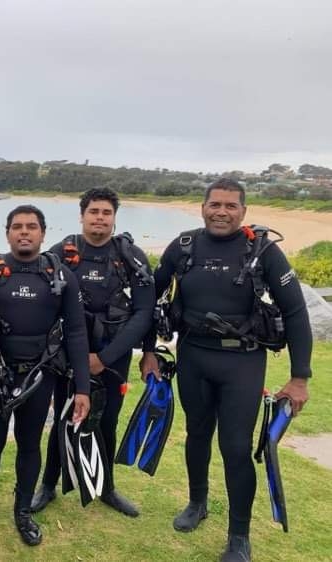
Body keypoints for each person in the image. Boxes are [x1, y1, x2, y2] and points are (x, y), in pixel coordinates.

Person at [141, 178, 312, 562]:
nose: (222, 212)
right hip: (193, 357)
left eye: (230, 206)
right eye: (215, 204)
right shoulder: (184, 247)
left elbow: (296, 311)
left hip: (243, 362)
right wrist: (150, 351)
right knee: (197, 435)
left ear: (243, 211)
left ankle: (239, 535)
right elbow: (150, 298)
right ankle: (197, 502)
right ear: (202, 207)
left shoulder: (263, 251)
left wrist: (300, 376)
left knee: (235, 447)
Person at [0, 204, 91, 548]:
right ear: (7, 233)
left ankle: (23, 512)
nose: (24, 232)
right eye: (17, 227)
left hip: (40, 377)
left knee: (29, 445)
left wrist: (82, 387)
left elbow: (75, 332)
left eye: (31, 226)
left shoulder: (60, 276)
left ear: (43, 233)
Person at [31, 187, 156, 517]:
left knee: (108, 420)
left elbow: (145, 312)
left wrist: (107, 357)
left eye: (106, 213)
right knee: (63, 418)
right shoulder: (64, 251)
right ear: (82, 215)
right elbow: (44, 303)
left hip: (113, 352)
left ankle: (107, 488)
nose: (99, 218)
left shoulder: (130, 255)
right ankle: (48, 484)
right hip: (68, 354)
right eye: (94, 212)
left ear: (114, 218)